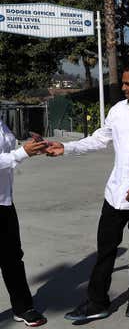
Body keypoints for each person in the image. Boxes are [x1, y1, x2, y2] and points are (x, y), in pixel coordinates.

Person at [46, 62, 129, 321]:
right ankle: (97, 302)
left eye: (128, 84)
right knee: (105, 248)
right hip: (115, 192)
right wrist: (67, 148)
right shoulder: (118, 110)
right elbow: (99, 139)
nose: (123, 88)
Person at [0, 120, 48, 327]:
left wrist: (30, 149)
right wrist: (21, 153)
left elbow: (9, 153)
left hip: (4, 200)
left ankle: (22, 307)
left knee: (12, 256)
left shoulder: (1, 121)